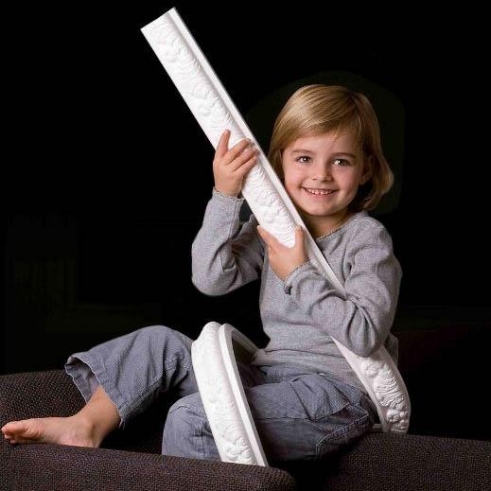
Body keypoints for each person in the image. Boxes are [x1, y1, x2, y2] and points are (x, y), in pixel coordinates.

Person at [1, 84, 402, 463]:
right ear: (279, 160)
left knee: (196, 416)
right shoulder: (275, 226)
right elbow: (211, 277)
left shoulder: (368, 240)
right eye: (304, 158)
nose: (321, 174)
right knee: (157, 344)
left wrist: (299, 273)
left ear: (366, 169)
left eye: (341, 161)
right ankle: (85, 427)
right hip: (270, 376)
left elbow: (365, 334)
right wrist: (226, 196)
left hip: (336, 393)